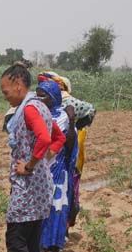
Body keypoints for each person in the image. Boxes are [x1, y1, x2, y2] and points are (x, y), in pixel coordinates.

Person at [0, 62, 65, 252]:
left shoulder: (29, 109)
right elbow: (57, 138)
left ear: (18, 84)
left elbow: (46, 137)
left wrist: (29, 165)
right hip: (41, 187)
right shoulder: (41, 106)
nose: (5, 97)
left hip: (28, 188)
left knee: (16, 242)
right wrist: (46, 158)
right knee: (29, 243)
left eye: (6, 91)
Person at [37, 72, 95, 229]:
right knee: (59, 196)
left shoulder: (68, 104)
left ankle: (56, 234)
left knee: (57, 196)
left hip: (58, 158)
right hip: (57, 158)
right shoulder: (43, 106)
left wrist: (72, 123)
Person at [36, 81, 78, 252]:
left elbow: (69, 143)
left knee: (57, 208)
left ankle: (54, 250)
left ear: (53, 97)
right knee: (39, 209)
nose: (40, 99)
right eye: (37, 94)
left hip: (58, 170)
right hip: (39, 169)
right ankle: (38, 246)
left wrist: (71, 121)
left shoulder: (63, 117)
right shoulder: (36, 114)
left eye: (44, 95)